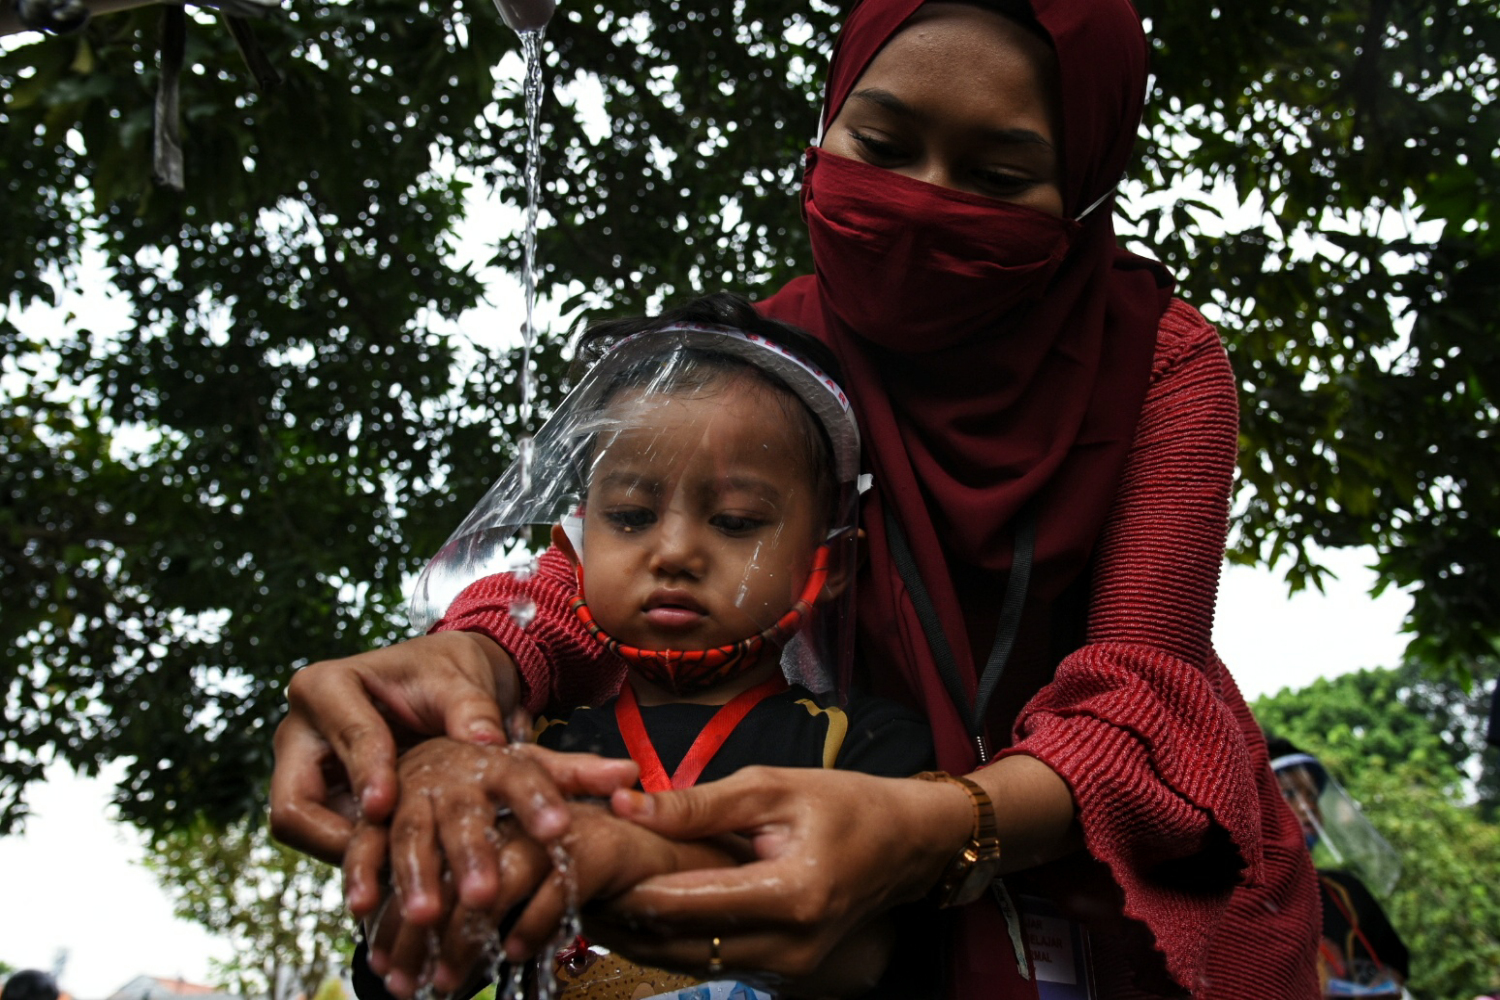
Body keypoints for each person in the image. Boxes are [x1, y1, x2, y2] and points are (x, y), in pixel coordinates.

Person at [270, 0, 1323, 996]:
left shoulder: (1159, 363)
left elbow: (1144, 677)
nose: (922, 200)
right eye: (883, 144)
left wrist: (938, 824)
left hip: (1094, 885)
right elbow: (576, 587)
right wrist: (478, 657)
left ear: (1087, 192)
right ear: (825, 130)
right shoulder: (774, 365)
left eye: (997, 175)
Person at [347, 296, 934, 1000]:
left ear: (831, 565)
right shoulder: (526, 757)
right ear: (577, 543)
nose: (676, 551)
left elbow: (893, 961)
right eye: (629, 516)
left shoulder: (866, 754)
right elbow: (400, 977)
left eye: (736, 521)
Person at [1268, 738, 1411, 999]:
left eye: (1312, 795)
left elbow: (1394, 963)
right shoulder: (1236, 903)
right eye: (1289, 794)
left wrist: (1383, 984)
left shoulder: (1344, 891)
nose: (1307, 806)